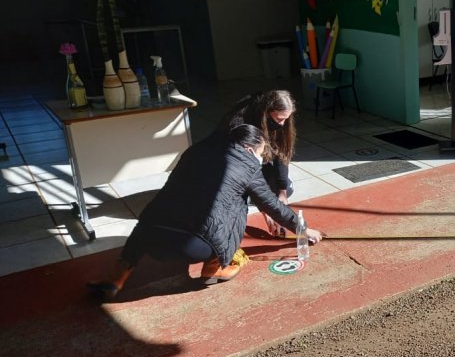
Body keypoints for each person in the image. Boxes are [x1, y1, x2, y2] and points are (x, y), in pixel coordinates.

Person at [87, 124, 324, 299]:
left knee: (157, 213)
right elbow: (272, 205)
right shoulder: (249, 165)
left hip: (151, 236)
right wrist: (304, 230)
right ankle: (215, 265)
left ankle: (117, 278)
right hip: (195, 245)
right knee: (237, 202)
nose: (261, 159)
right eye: (261, 154)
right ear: (250, 150)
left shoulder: (195, 152)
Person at [219, 90, 298, 235]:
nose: (283, 124)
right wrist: (266, 212)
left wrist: (282, 192)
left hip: (251, 158)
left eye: (286, 119)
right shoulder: (240, 125)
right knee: (238, 197)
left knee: (286, 186)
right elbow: (249, 175)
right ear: (267, 113)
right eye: (279, 119)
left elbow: (280, 153)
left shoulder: (278, 123)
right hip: (229, 166)